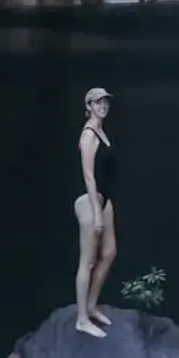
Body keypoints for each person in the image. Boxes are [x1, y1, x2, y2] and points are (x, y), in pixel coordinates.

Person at [74, 86, 117, 336]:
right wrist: (97, 211)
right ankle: (81, 318)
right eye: (97, 103)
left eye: (105, 103)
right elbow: (88, 176)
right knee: (88, 260)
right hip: (88, 200)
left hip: (103, 198)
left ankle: (91, 305)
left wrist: (106, 204)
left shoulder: (101, 131)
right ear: (88, 106)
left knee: (109, 252)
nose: (102, 106)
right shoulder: (89, 135)